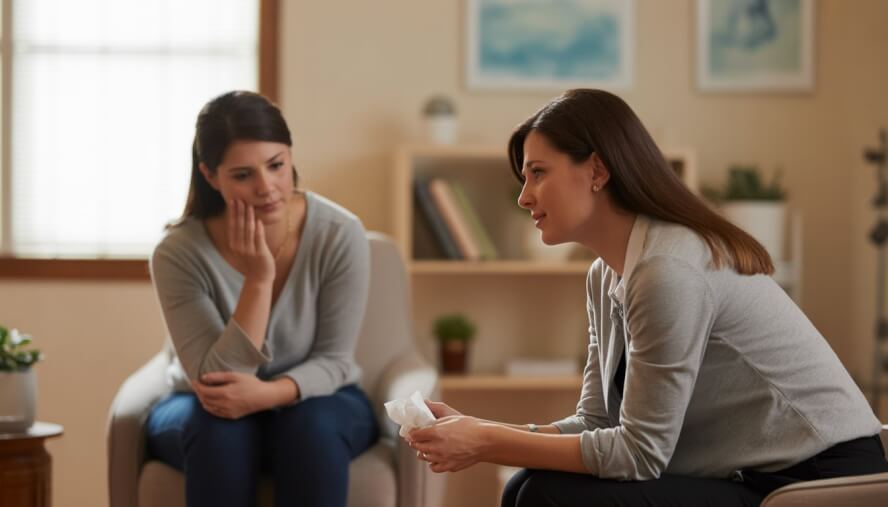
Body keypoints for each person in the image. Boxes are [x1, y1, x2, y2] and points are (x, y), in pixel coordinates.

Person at [406, 89, 888, 507]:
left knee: (540, 495)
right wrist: (478, 427)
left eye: (537, 173)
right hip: (754, 475)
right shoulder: (604, 275)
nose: (524, 197)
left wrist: (486, 442)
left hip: (816, 481)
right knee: (527, 488)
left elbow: (640, 453)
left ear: (596, 169)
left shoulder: (668, 269)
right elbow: (597, 421)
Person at [145, 91, 378, 507]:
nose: (267, 188)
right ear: (210, 175)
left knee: (311, 427)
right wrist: (258, 280)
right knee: (219, 427)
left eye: (276, 165)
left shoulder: (340, 233)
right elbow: (216, 381)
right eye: (242, 175)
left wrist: (267, 395)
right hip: (202, 404)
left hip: (321, 398)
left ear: (290, 155)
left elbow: (334, 360)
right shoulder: (177, 252)